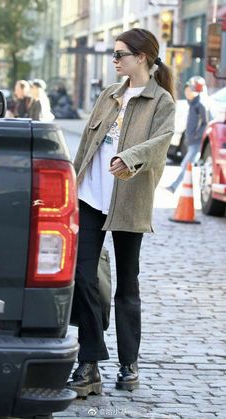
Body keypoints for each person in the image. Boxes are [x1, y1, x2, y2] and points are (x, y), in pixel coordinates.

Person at [67, 28, 175, 397]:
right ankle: (90, 361)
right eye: (113, 55)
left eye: (119, 55)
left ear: (141, 57)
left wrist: (129, 158)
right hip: (90, 197)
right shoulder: (108, 95)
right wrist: (70, 185)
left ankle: (129, 364)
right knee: (82, 277)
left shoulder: (161, 101)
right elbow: (85, 144)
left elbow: (161, 143)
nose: (114, 61)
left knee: (127, 286)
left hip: (129, 200)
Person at [166, 76, 207, 193]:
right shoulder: (192, 103)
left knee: (186, 164)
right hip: (191, 141)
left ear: (196, 90)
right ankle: (194, 188)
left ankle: (174, 187)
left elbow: (206, 123)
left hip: (197, 142)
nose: (186, 92)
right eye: (186, 89)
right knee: (189, 165)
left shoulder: (201, 104)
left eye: (189, 89)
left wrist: (195, 135)